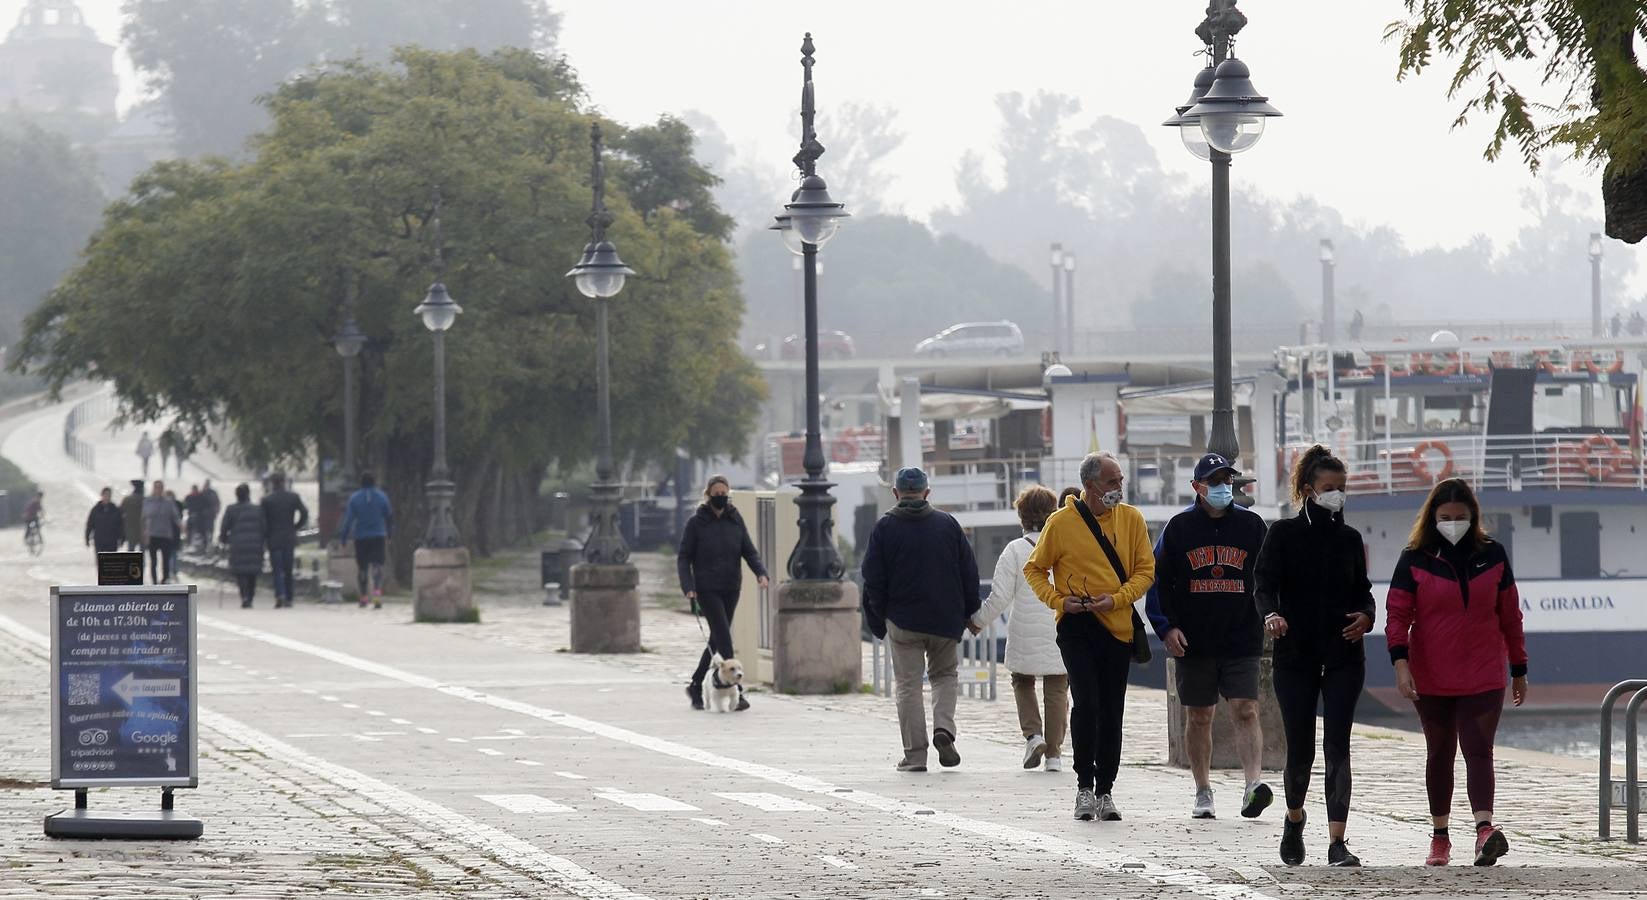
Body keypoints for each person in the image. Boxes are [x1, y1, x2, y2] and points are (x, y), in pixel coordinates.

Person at [1385, 478, 1528, 867]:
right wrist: (1401, 666)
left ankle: (1485, 830)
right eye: (1446, 517)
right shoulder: (1414, 557)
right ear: (1433, 517)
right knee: (1441, 752)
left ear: (1473, 517)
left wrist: (1519, 667)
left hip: (1483, 671)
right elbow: (1397, 616)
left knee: (1479, 749)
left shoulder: (1493, 555)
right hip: (1431, 673)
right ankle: (1440, 836)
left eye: (1461, 517)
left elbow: (1510, 615)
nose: (1453, 523)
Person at [1255, 444, 1376, 867]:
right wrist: (1271, 615)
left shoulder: (1350, 539)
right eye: (1329, 488)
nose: (1337, 495)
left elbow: (1364, 592)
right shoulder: (1282, 534)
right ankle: (1294, 818)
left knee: (1337, 746)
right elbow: (1264, 585)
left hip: (1344, 653)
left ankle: (1337, 842)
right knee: (1301, 749)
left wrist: (1366, 616)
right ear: (1308, 490)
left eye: (1342, 488)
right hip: (1295, 655)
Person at [1025, 451, 1155, 823]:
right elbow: (1035, 569)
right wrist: (1058, 600)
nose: (1119, 487)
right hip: (1076, 624)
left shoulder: (1131, 519)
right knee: (1086, 702)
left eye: (1120, 480)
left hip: (1116, 625)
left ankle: (1106, 790)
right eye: (1112, 481)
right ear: (1090, 485)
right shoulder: (1061, 522)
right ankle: (1084, 785)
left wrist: (1116, 599)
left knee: (1112, 709)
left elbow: (1145, 571)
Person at [1145, 452, 1273, 821]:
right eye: (1215, 481)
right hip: (1194, 639)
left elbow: (1267, 575)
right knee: (1199, 715)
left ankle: (1253, 785)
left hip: (1241, 635)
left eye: (1227, 481)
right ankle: (1202, 790)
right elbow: (1158, 582)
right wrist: (1165, 627)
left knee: (1246, 710)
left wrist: (1272, 612)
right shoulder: (1179, 528)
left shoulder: (1251, 526)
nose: (1222, 487)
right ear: (1197, 487)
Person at [860, 466, 981, 772]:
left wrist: (876, 621)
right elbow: (969, 572)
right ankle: (944, 729)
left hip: (903, 621)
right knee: (945, 677)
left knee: (908, 686)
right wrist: (970, 612)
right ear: (927, 493)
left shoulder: (884, 528)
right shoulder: (948, 524)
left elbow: (872, 580)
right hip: (945, 619)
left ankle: (915, 755)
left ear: (896, 493)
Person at [969, 484, 1066, 772]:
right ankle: (1055, 755)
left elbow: (999, 596)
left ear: (1022, 516)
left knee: (1022, 680)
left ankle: (1033, 736)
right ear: (1053, 514)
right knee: (1057, 688)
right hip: (1060, 627)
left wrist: (977, 622)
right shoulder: (1063, 545)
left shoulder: (1014, 550)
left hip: (1024, 631)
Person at [676, 474, 769, 711]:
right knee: (725, 639)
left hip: (731, 586)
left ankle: (696, 684)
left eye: (724, 494)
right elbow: (684, 557)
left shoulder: (735, 519)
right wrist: (688, 586)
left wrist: (760, 572)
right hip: (706, 589)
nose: (721, 498)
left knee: (716, 638)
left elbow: (749, 550)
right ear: (708, 496)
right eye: (716, 494)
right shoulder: (696, 523)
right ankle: (737, 691)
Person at [338, 472, 393, 609]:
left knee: (362, 567)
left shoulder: (355, 498)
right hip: (378, 535)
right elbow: (389, 517)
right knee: (377, 566)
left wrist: (343, 537)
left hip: (361, 537)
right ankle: (377, 593)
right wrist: (390, 534)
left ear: (361, 483)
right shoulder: (382, 497)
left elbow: (348, 519)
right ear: (374, 482)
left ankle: (363, 596)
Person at [261, 473, 309, 608]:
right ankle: (289, 597)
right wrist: (296, 526)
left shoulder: (267, 500)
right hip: (289, 537)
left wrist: (265, 536)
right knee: (288, 569)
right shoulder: (293, 497)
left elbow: (263, 521)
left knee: (277, 569)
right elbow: (304, 513)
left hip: (273, 538)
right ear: (284, 482)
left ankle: (279, 595)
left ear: (272, 483)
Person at [219, 483, 267, 608]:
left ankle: (244, 595)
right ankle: (250, 596)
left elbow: (224, 527)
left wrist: (223, 539)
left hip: (237, 544)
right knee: (252, 572)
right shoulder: (258, 509)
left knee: (240, 572)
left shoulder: (231, 509)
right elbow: (264, 526)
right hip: (255, 544)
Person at [142, 481, 181, 585]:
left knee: (165, 560)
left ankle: (164, 580)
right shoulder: (148, 501)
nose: (158, 490)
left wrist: (181, 525)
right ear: (153, 489)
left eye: (160, 488)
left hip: (165, 535)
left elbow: (175, 516)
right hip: (152, 535)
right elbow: (144, 518)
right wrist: (145, 533)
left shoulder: (168, 502)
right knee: (153, 561)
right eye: (156, 488)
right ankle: (154, 581)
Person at [85, 487, 124, 555]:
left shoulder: (115, 509)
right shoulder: (96, 509)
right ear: (102, 495)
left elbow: (120, 525)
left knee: (111, 563)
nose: (107, 497)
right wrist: (87, 538)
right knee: (101, 563)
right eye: (105, 495)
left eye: (109, 495)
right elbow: (90, 524)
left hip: (112, 541)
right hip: (100, 541)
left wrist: (122, 538)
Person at [121, 480, 145, 552]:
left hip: (130, 530)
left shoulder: (127, 499)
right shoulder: (146, 500)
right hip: (143, 530)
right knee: (142, 553)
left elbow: (121, 512)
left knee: (131, 552)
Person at [184, 485, 208, 551]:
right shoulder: (189, 497)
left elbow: (205, 506)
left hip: (200, 517)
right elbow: (186, 506)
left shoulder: (202, 497)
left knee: (202, 531)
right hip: (191, 515)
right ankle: (188, 543)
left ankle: (204, 545)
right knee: (189, 531)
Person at [200, 480, 221, 547]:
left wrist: (217, 510)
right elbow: (218, 502)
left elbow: (217, 502)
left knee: (207, 528)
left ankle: (207, 541)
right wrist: (217, 510)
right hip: (209, 513)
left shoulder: (204, 492)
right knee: (209, 528)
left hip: (207, 513)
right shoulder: (211, 492)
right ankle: (208, 541)